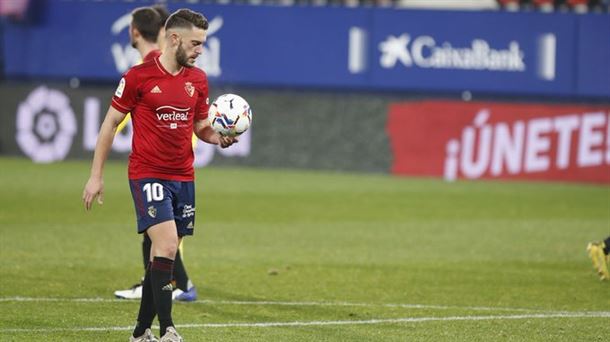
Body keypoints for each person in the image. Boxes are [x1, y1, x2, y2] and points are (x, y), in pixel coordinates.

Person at [83, 8, 236, 341]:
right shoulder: (138, 77)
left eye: (202, 44)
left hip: (184, 177)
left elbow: (200, 126)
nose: (200, 51)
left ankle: (140, 332)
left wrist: (219, 137)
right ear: (174, 38)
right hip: (147, 173)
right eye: (195, 44)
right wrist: (96, 176)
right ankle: (168, 329)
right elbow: (110, 123)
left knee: (160, 258)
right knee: (166, 246)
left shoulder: (198, 79)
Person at [113, 5, 198, 303]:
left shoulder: (151, 65)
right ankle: (172, 284)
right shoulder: (154, 62)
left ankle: (177, 284)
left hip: (168, 153)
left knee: (158, 228)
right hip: (174, 148)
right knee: (158, 227)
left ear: (134, 31)